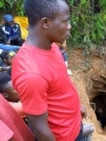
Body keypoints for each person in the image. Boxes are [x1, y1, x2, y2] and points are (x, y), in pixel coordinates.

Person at [12, 0, 85, 141]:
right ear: (46, 23)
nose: (69, 27)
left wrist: (76, 109)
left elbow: (60, 86)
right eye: (65, 21)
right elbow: (41, 131)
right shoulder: (31, 74)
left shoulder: (51, 46)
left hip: (74, 125)